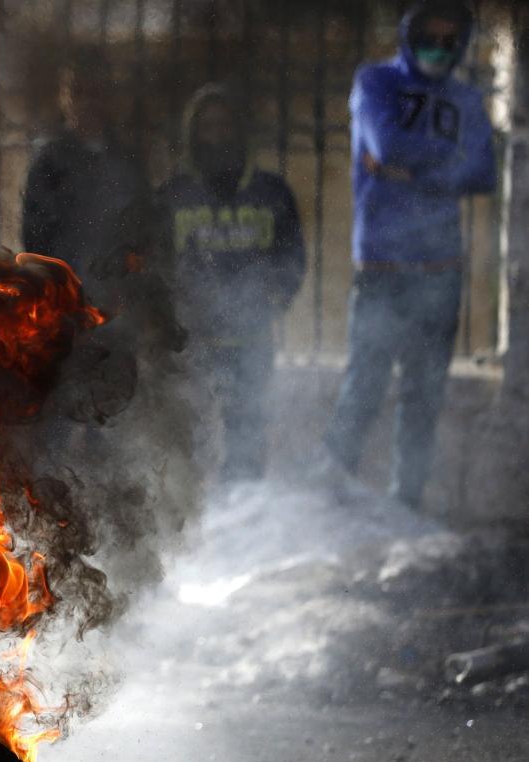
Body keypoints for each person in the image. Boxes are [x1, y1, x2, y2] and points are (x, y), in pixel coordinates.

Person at [323, 1, 495, 509]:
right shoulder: (376, 83)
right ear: (409, 33)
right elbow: (386, 144)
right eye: (429, 34)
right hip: (381, 262)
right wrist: (447, 165)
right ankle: (330, 494)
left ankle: (406, 504)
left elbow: (483, 170)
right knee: (365, 384)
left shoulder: (466, 97)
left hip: (441, 267)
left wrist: (419, 174)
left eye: (450, 38)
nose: (438, 47)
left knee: (424, 395)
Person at [158, 83, 305, 482]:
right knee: (194, 440)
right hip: (193, 344)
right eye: (207, 126)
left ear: (239, 132)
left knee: (248, 434)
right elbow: (153, 266)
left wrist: (271, 301)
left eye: (225, 125)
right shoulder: (174, 196)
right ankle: (201, 530)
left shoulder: (271, 193)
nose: (217, 135)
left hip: (252, 342)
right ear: (194, 134)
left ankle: (244, 521)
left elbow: (292, 258)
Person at [20, 61, 160, 298]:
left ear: (107, 98)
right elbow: (36, 235)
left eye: (95, 92)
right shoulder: (49, 163)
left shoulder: (127, 160)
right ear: (64, 99)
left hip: (120, 294)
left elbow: (144, 225)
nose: (87, 102)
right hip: (68, 294)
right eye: (78, 92)